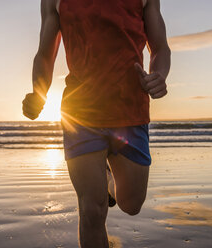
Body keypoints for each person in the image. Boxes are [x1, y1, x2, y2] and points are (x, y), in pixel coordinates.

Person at [23, 0, 171, 247]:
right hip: (80, 113)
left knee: (132, 204)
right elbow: (45, 52)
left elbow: (160, 48)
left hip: (130, 111)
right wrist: (39, 93)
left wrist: (158, 75)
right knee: (92, 210)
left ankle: (108, 178)